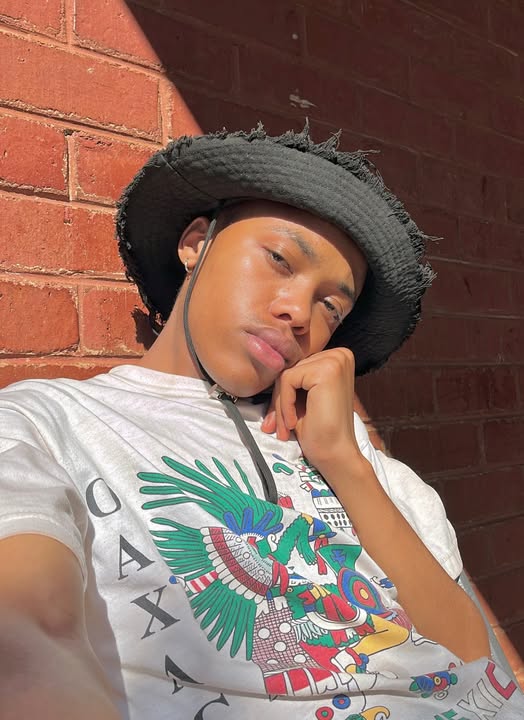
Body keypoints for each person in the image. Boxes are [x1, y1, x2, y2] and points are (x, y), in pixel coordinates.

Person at [0, 124, 522, 720]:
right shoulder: (46, 423)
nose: (298, 312)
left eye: (331, 306)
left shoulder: (354, 456)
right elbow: (27, 640)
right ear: (196, 243)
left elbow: (478, 666)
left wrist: (345, 464)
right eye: (278, 260)